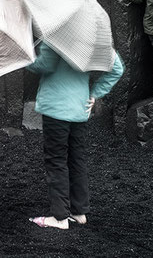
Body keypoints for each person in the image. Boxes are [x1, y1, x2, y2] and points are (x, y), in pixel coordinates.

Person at [28, 42, 124, 230]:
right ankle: (79, 212)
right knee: (76, 158)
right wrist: (95, 93)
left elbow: (44, 65)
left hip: (56, 108)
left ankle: (60, 217)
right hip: (80, 107)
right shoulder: (93, 37)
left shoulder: (56, 36)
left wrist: (27, 58)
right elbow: (117, 69)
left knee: (56, 160)